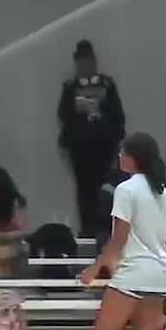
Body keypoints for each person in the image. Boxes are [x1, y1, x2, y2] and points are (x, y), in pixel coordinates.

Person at [79, 133, 166, 330]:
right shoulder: (161, 190)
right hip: (161, 271)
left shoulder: (126, 189)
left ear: (133, 158)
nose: (119, 157)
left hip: (135, 270)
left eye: (123, 152)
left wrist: (95, 268)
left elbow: (119, 237)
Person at [59, 40, 126, 238]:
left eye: (87, 62)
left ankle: (103, 225)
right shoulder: (70, 87)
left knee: (105, 186)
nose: (84, 67)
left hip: (104, 146)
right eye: (80, 63)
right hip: (80, 148)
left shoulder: (107, 84)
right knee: (84, 188)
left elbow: (117, 114)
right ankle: (87, 227)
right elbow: (63, 114)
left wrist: (113, 135)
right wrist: (77, 110)